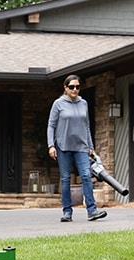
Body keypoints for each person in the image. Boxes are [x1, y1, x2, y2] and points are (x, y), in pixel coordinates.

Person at [47, 74, 108, 222]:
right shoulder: (58, 104)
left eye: (77, 87)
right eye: (72, 87)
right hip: (63, 146)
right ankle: (67, 212)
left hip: (81, 146)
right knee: (66, 178)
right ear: (65, 88)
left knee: (86, 176)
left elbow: (86, 126)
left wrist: (90, 146)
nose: (75, 89)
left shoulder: (83, 103)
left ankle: (92, 210)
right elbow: (51, 125)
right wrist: (51, 145)